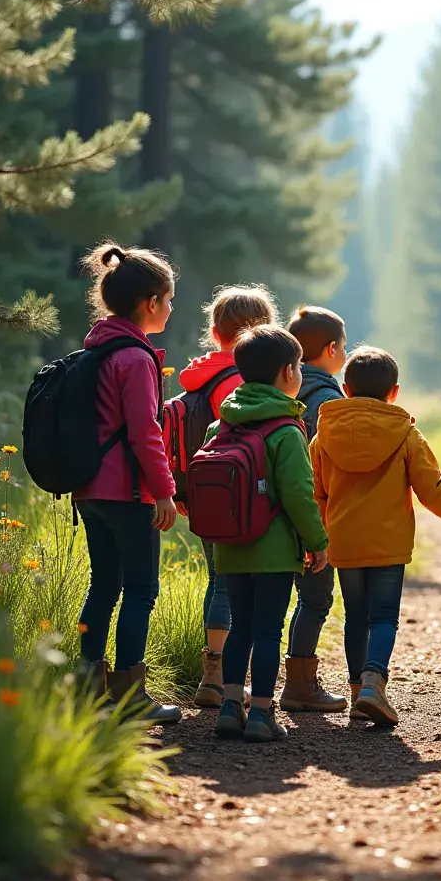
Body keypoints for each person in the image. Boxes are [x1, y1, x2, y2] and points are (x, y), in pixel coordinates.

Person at [310, 346, 441, 726]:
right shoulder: (406, 434)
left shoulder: (322, 436)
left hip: (343, 542)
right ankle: (374, 680)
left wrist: (317, 538)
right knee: (384, 616)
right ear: (395, 392)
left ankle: (358, 692)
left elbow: (316, 494)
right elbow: (432, 492)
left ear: (345, 388)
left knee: (355, 616)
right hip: (388, 544)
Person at [73, 242, 181, 725]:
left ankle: (86, 686)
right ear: (151, 303)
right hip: (126, 491)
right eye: (169, 299)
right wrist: (164, 491)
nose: (171, 308)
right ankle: (132, 696)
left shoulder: (96, 346)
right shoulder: (136, 359)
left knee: (103, 585)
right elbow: (144, 431)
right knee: (140, 589)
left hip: (90, 489)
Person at [212, 326, 329, 743]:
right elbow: (299, 495)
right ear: (288, 371)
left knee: (239, 626)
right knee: (267, 631)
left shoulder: (221, 423)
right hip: (275, 549)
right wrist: (317, 542)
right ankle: (261, 712)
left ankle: (229, 706)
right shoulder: (285, 430)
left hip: (229, 546)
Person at [178, 285, 278, 709]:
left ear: (214, 330)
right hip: (241, 497)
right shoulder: (240, 378)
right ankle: (222, 675)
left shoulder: (196, 375)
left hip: (200, 492)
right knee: (235, 583)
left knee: (216, 578)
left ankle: (214, 672)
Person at [279, 306, 348, 713]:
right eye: (343, 345)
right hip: (314, 515)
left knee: (283, 600)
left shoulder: (286, 388)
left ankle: (266, 683)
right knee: (316, 599)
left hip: (276, 513)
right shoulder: (327, 399)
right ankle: (300, 685)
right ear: (330, 348)